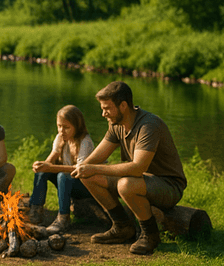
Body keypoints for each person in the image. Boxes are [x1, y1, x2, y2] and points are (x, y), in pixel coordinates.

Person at [72, 81, 187, 255]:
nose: (103, 114)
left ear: (123, 106)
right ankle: (122, 226)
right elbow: (95, 159)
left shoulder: (148, 125)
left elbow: (137, 168)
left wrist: (94, 168)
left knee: (125, 184)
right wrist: (78, 168)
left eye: (107, 108)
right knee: (88, 176)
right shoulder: (116, 125)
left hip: (168, 186)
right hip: (140, 181)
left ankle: (150, 235)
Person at [28, 105, 95, 234]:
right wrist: (41, 165)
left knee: (62, 176)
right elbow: (49, 162)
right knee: (42, 172)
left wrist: (51, 167)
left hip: (85, 185)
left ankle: (63, 218)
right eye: (59, 126)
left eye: (66, 127)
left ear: (77, 126)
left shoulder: (85, 142)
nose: (61, 131)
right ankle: (35, 211)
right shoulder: (61, 137)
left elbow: (80, 170)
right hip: (67, 182)